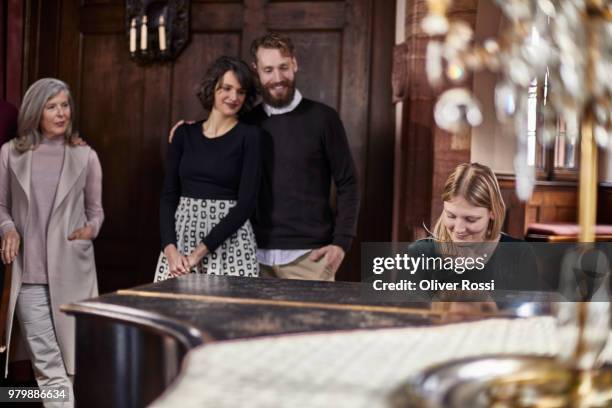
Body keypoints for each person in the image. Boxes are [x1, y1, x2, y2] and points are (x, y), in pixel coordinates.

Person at [0, 78, 104, 407]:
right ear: (36, 110)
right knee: (49, 367)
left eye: (65, 105)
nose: (61, 113)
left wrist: (89, 230)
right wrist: (8, 229)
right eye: (52, 106)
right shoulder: (9, 154)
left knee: (72, 370)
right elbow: (1, 205)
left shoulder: (86, 156)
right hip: (28, 276)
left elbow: (96, 212)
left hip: (73, 273)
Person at [245, 33, 360, 281]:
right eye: (268, 69)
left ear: (294, 64)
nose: (277, 78)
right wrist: (191, 129)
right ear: (257, 71)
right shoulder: (247, 123)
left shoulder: (324, 118)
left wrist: (341, 243)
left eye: (283, 67)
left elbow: (348, 183)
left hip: (311, 259)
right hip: (251, 258)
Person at [155, 56, 261, 281]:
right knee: (173, 315)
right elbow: (168, 196)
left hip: (230, 243)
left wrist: (198, 254)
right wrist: (170, 249)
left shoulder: (250, 137)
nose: (233, 97)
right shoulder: (184, 134)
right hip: (180, 244)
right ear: (212, 88)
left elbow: (246, 205)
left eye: (241, 91)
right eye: (226, 88)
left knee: (230, 316)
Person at [409, 162, 539, 293]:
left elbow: (535, 311)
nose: (459, 229)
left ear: (492, 212)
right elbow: (403, 312)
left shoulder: (519, 255)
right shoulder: (419, 254)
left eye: (470, 219)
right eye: (451, 216)